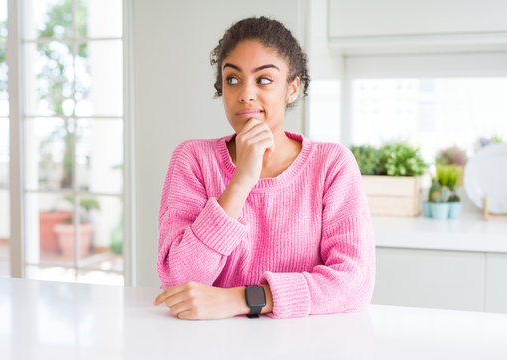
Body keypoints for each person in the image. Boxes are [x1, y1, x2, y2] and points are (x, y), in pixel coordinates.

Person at [153, 16, 375, 320]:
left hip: (304, 344)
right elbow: (179, 280)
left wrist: (244, 299)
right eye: (233, 79)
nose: (245, 94)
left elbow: (354, 283)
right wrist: (241, 181)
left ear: (292, 89)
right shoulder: (193, 159)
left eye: (264, 80)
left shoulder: (331, 165)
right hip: (207, 343)